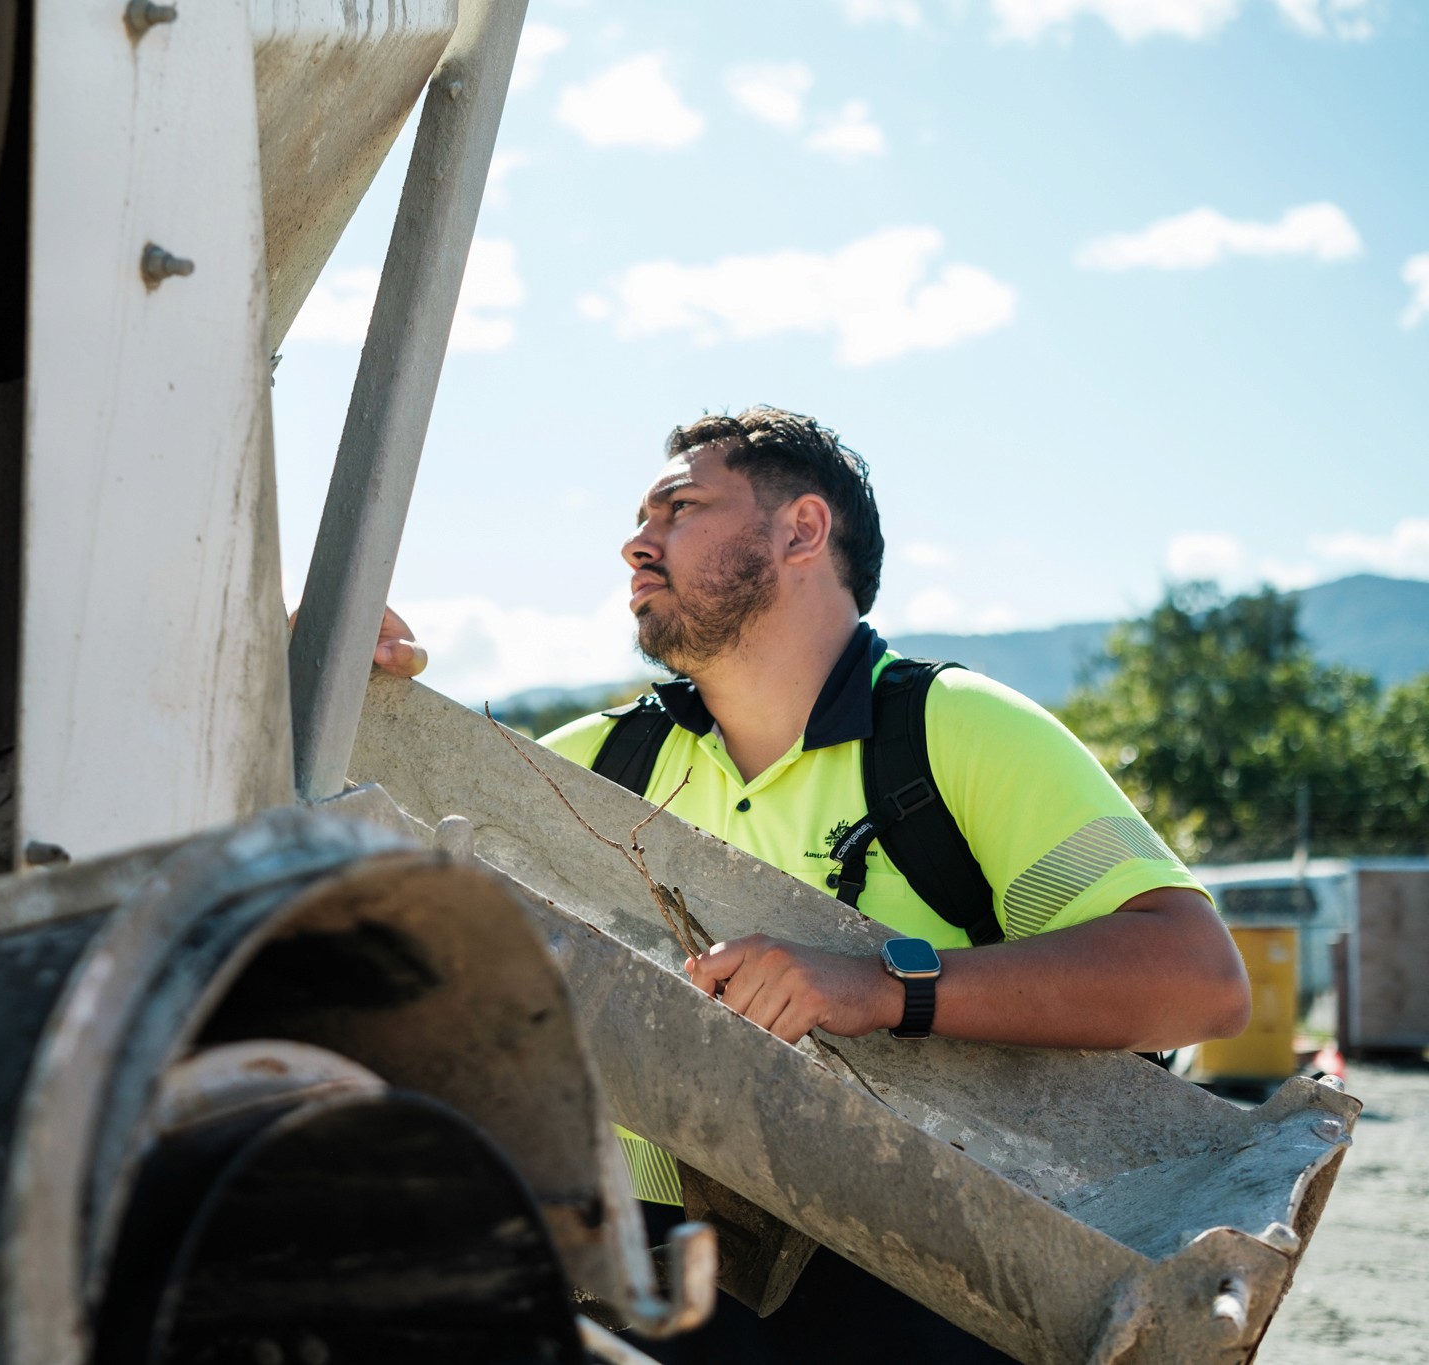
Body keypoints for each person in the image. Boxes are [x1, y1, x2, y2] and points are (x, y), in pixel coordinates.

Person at [371, 406, 1250, 1362]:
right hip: (647, 1268)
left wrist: (880, 987)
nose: (635, 542)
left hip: (941, 1269)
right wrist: (334, 691)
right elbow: (378, 912)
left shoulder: (953, 730)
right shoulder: (594, 768)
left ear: (801, 529)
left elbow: (1198, 981)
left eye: (679, 508)